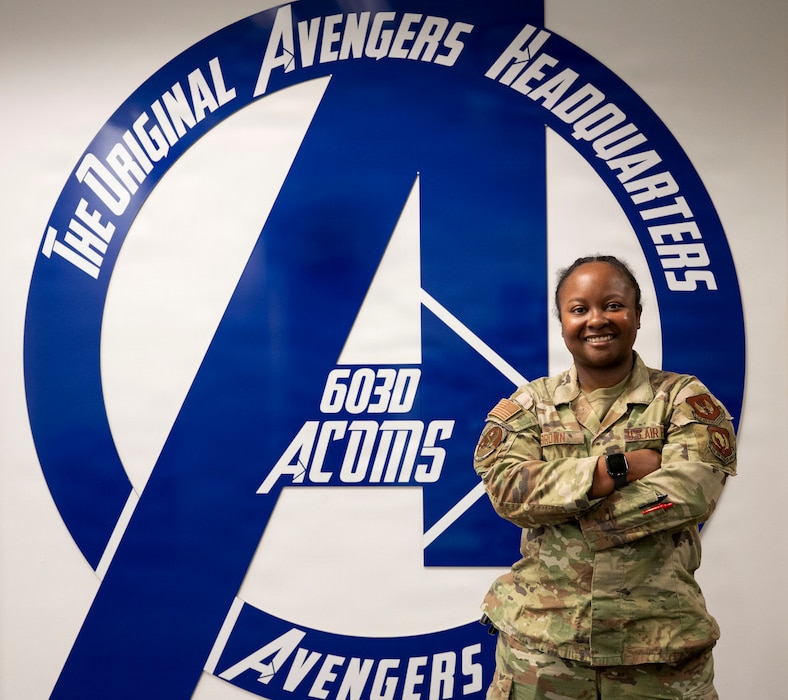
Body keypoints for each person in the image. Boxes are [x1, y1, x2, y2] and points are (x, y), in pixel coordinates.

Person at [473, 255, 736, 700]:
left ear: (636, 315)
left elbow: (691, 491)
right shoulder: (528, 405)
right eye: (579, 309)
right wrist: (615, 468)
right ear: (562, 322)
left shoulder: (683, 398)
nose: (597, 320)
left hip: (658, 655)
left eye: (613, 305)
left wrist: (571, 512)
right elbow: (508, 490)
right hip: (542, 652)